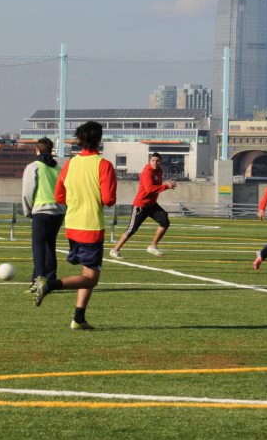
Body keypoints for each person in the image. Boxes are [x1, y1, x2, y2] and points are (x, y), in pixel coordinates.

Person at [32, 121, 117, 331]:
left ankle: (79, 319)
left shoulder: (70, 164)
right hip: (91, 226)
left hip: (72, 224)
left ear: (79, 140)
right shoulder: (103, 165)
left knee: (87, 273)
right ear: (99, 140)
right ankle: (49, 285)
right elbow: (108, 199)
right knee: (91, 279)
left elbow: (59, 195)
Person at [109, 152, 176, 258]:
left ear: (160, 162)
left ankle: (153, 246)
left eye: (157, 161)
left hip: (152, 205)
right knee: (132, 229)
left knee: (165, 221)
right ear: (150, 161)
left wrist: (165, 185)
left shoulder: (159, 171)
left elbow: (156, 187)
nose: (155, 163)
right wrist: (166, 186)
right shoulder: (147, 172)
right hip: (141, 205)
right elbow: (149, 189)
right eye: (153, 160)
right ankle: (115, 250)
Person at [21, 137, 65, 292]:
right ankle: (51, 279)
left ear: (37, 150)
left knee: (38, 246)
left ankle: (38, 280)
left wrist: (28, 211)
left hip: (41, 211)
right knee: (50, 245)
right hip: (58, 212)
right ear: (51, 150)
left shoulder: (34, 166)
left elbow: (27, 192)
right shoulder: (58, 168)